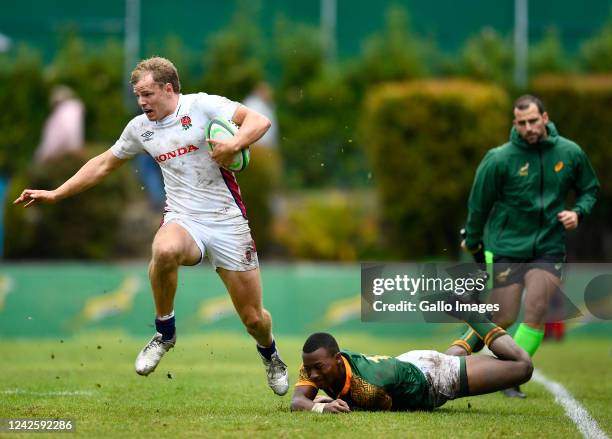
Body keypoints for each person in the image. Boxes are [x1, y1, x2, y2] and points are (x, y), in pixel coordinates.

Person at [13, 57, 289, 396]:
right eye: (137, 95)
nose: (141, 102)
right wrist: (56, 193)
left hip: (227, 222)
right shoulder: (139, 128)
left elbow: (258, 121)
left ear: (168, 88)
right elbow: (102, 164)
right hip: (183, 218)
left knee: (253, 319)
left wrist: (234, 144)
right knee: (164, 248)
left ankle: (271, 355)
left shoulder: (202, 106)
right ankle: (165, 332)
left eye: (147, 94)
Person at [452, 95, 599, 398]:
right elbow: (479, 205)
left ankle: (509, 376)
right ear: (515, 124)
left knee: (537, 309)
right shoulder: (499, 159)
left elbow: (589, 188)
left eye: (533, 120)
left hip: (549, 246)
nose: (529, 127)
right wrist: (475, 240)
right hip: (507, 246)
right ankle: (451, 361)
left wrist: (578, 212)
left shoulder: (570, 153)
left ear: (545, 118)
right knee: (502, 316)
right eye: (522, 123)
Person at [290, 316, 533, 413]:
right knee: (448, 357)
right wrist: (320, 406)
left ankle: (472, 312)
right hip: (407, 362)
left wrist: (329, 403)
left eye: (318, 368)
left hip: (433, 378)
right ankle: (473, 333)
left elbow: (370, 407)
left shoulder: (368, 385)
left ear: (337, 359)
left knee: (523, 368)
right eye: (308, 368)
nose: (312, 374)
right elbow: (297, 402)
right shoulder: (316, 365)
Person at [35, 85, 85, 164]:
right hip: (57, 155)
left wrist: (75, 147)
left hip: (58, 155)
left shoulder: (69, 109)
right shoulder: (69, 110)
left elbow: (71, 128)